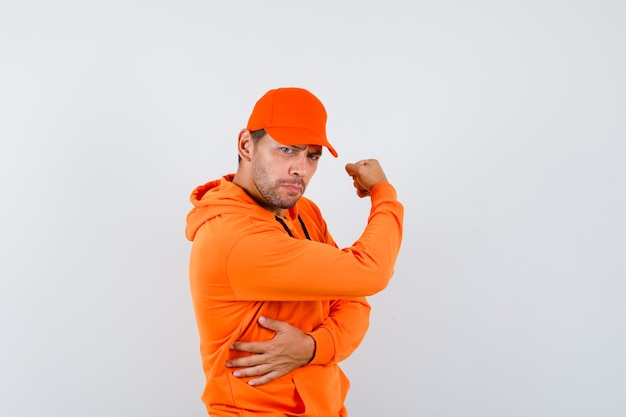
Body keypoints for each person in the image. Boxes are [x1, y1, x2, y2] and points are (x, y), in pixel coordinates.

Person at [185, 87, 403, 416]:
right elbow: (370, 272)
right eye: (287, 150)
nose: (300, 168)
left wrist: (315, 347)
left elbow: (354, 301)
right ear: (247, 145)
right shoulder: (232, 237)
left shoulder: (304, 213)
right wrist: (383, 193)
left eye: (312, 155)